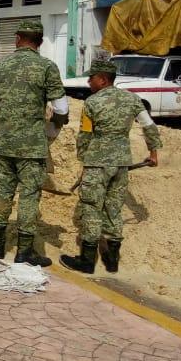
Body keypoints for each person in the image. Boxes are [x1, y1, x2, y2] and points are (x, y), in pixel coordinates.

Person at [60, 60, 161, 274]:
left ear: (103, 79)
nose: (88, 81)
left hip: (97, 163)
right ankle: (112, 261)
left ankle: (87, 261)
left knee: (91, 208)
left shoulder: (92, 103)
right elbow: (149, 125)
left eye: (92, 77)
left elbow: (85, 135)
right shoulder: (132, 99)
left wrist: (84, 162)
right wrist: (153, 152)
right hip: (121, 164)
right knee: (114, 209)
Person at [0, 20, 69, 266]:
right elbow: (61, 107)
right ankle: (24, 252)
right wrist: (53, 126)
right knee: (29, 196)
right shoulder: (47, 67)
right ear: (40, 42)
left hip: (2, 143)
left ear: (17, 39)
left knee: (2, 193)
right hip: (32, 147)